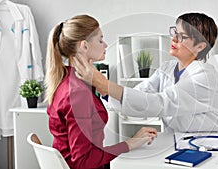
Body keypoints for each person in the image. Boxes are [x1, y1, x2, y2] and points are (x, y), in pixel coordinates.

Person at [73, 12, 218, 135]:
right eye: (174, 33)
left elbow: (161, 103)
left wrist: (104, 84)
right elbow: (139, 95)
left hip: (209, 141)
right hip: (178, 140)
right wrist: (104, 90)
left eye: (182, 37)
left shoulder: (204, 75)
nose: (174, 40)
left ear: (199, 47)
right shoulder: (167, 69)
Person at [44, 14, 157, 169]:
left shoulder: (66, 80)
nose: (105, 45)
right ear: (84, 46)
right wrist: (128, 144)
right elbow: (83, 162)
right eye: (100, 40)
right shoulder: (77, 93)